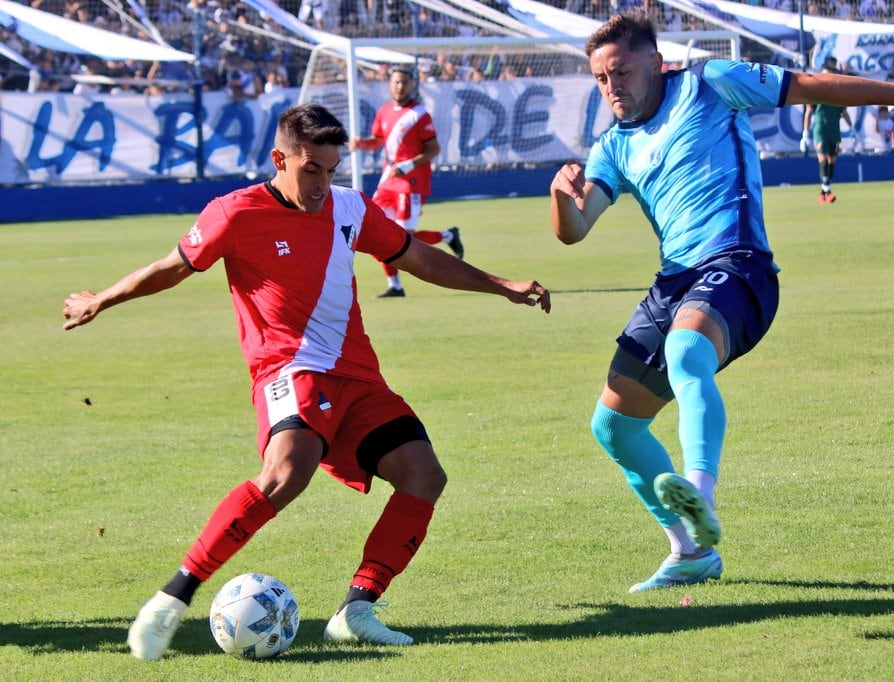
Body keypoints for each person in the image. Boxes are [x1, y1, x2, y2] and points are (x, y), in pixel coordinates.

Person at [63, 103, 550, 660]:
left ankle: (356, 610)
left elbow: (418, 258)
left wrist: (501, 284)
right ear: (280, 159)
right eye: (310, 169)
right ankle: (172, 599)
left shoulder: (349, 207)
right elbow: (173, 265)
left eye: (332, 169)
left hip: (359, 378)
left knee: (423, 474)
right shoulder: (235, 213)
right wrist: (102, 298)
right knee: (287, 472)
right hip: (288, 369)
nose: (322, 183)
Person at [548, 9, 894, 593]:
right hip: (675, 282)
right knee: (613, 425)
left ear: (655, 63)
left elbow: (806, 85)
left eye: (622, 70)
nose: (612, 86)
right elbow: (575, 229)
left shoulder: (707, 83)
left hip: (738, 266)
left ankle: (701, 495)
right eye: (601, 79)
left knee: (687, 349)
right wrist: (561, 196)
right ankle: (689, 551)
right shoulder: (612, 147)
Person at [349, 64, 464, 298]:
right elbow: (378, 141)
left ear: (412, 85)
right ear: (390, 84)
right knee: (372, 232)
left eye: (404, 82)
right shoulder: (384, 111)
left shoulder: (419, 114)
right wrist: (362, 143)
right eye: (396, 82)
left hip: (410, 183)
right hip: (387, 182)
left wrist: (408, 164)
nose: (400, 86)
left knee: (403, 240)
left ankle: (447, 235)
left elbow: (433, 149)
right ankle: (395, 285)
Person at [801, 64, 852, 204]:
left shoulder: (838, 94)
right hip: (821, 131)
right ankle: (828, 191)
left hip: (834, 131)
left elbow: (844, 112)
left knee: (832, 161)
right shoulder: (815, 94)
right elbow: (809, 113)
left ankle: (823, 192)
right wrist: (805, 133)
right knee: (823, 160)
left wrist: (852, 129)